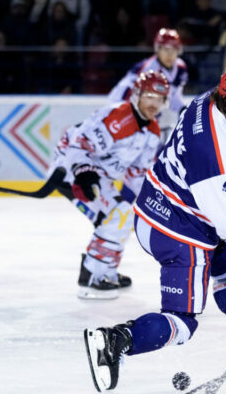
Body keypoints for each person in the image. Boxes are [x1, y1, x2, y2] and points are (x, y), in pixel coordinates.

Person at [83, 64, 226, 392]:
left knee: (225, 261)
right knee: (182, 323)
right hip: (176, 230)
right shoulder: (216, 153)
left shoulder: (211, 100)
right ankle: (114, 341)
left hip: (159, 205)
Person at [52, 69, 170, 299]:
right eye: (148, 96)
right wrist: (82, 171)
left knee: (125, 215)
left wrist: (154, 204)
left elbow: (137, 175)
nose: (153, 103)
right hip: (70, 171)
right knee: (117, 215)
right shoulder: (120, 117)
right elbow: (78, 142)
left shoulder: (152, 131)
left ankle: (106, 271)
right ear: (136, 95)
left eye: (159, 98)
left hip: (98, 175)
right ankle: (91, 277)